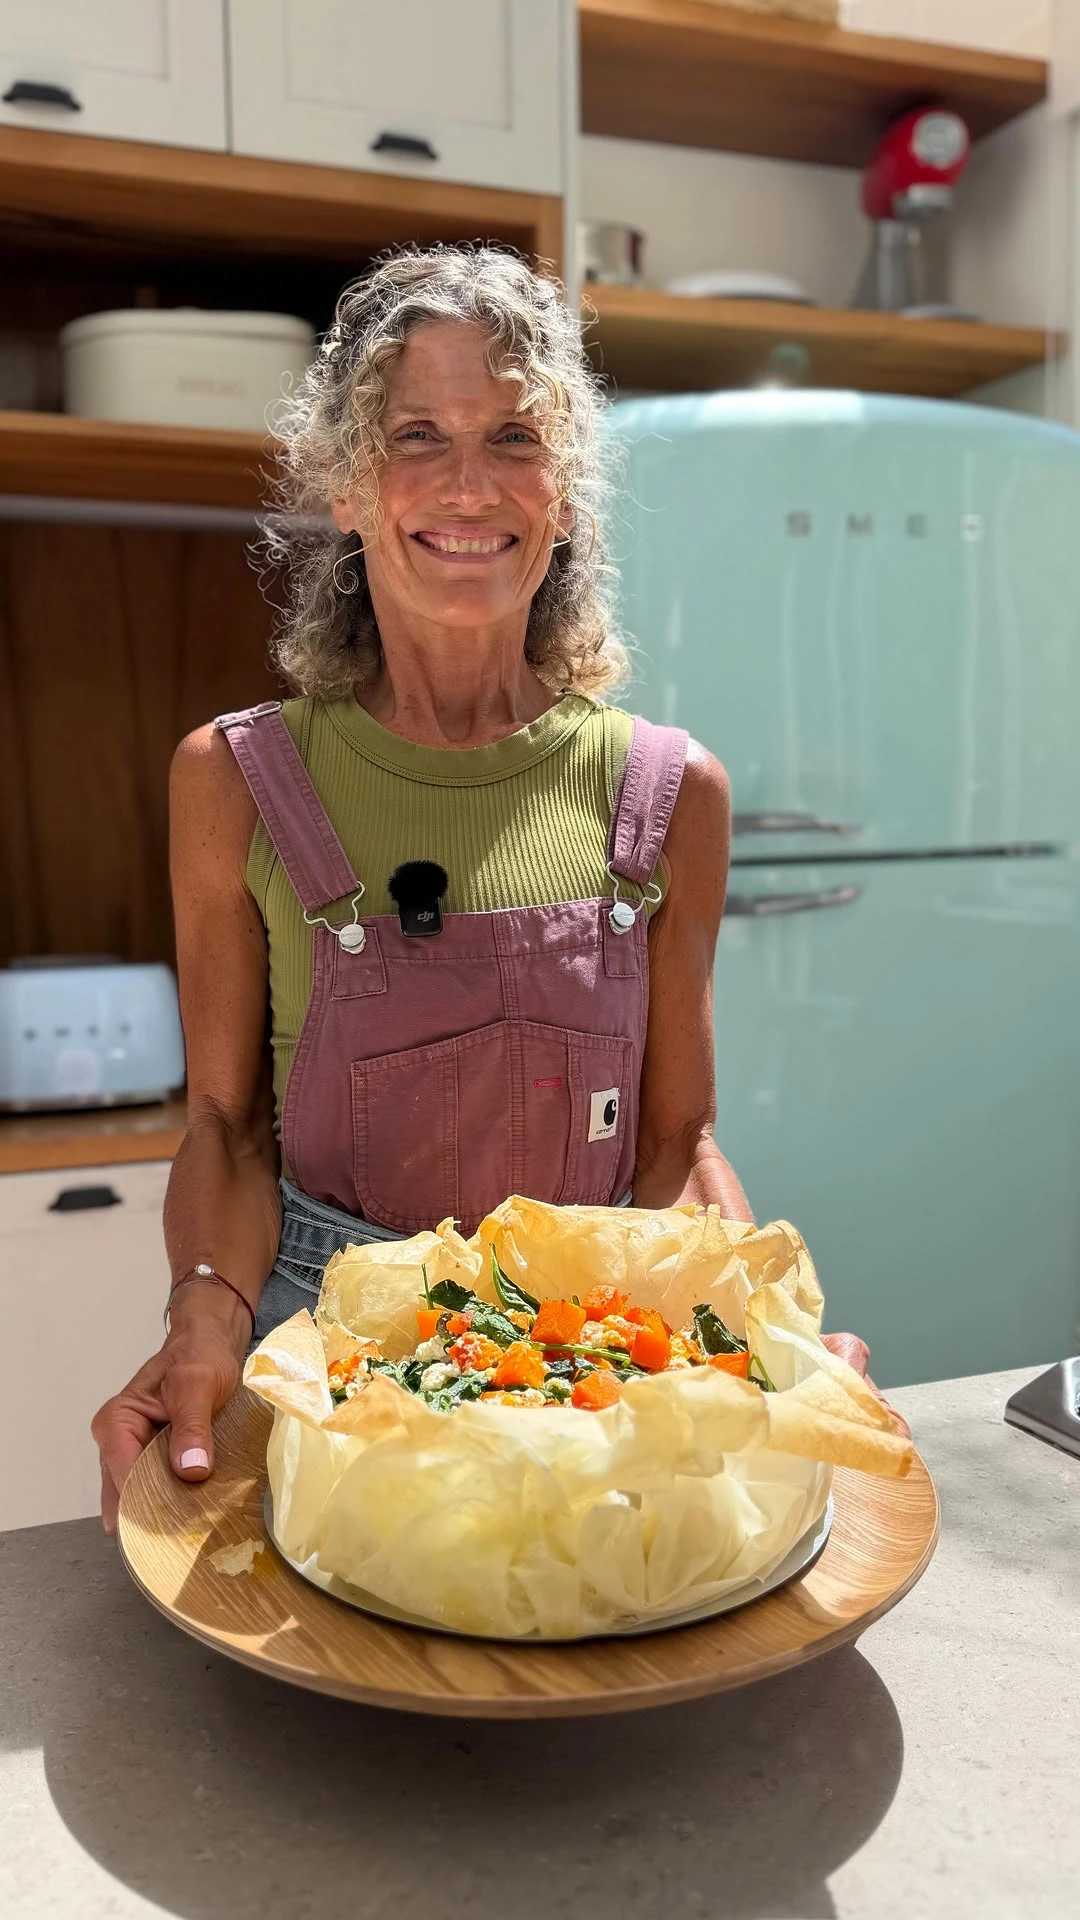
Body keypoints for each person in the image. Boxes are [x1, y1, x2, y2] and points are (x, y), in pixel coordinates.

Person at [93, 247, 894, 1533]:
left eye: (514, 436)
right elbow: (230, 1130)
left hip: (585, 1363)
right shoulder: (238, 781)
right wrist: (203, 1313)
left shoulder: (671, 793)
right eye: (419, 435)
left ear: (565, 490)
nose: (470, 486)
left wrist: (758, 1324)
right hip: (324, 1363)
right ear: (348, 488)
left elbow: (672, 1148)